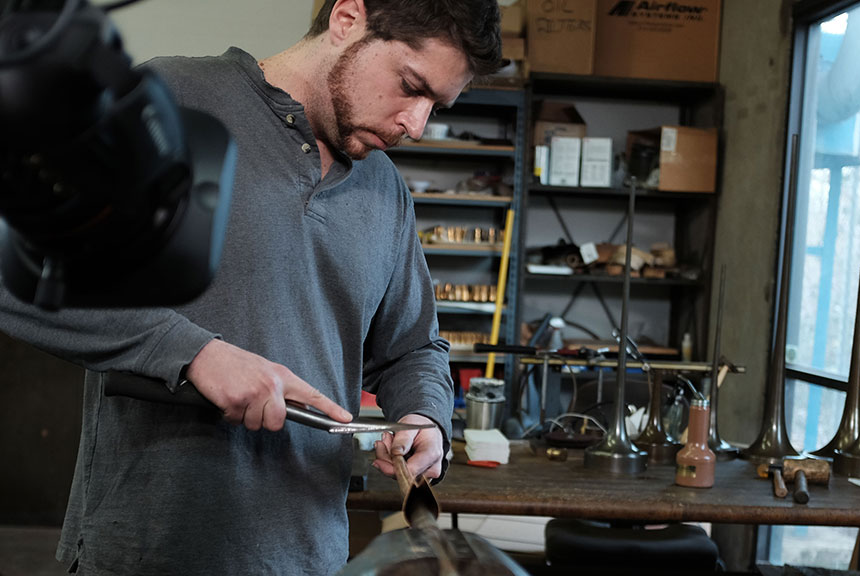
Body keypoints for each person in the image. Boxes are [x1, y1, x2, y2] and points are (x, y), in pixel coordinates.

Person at [0, 0, 503, 573]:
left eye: (436, 105)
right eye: (411, 86)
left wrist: (424, 415)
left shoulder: (385, 190)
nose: (416, 124)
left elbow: (413, 348)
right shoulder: (172, 101)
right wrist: (193, 354)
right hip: (147, 552)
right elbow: (16, 273)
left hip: (309, 557)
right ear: (347, 18)